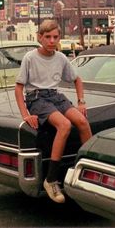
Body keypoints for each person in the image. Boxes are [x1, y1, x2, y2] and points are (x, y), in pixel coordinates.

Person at [15, 20, 92, 204]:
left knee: (82, 122)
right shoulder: (30, 58)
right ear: (39, 37)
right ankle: (51, 179)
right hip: (37, 99)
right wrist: (25, 114)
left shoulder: (61, 58)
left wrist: (81, 101)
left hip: (55, 96)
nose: (51, 41)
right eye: (47, 37)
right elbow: (18, 88)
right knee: (64, 125)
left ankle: (90, 170)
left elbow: (77, 80)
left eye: (55, 37)